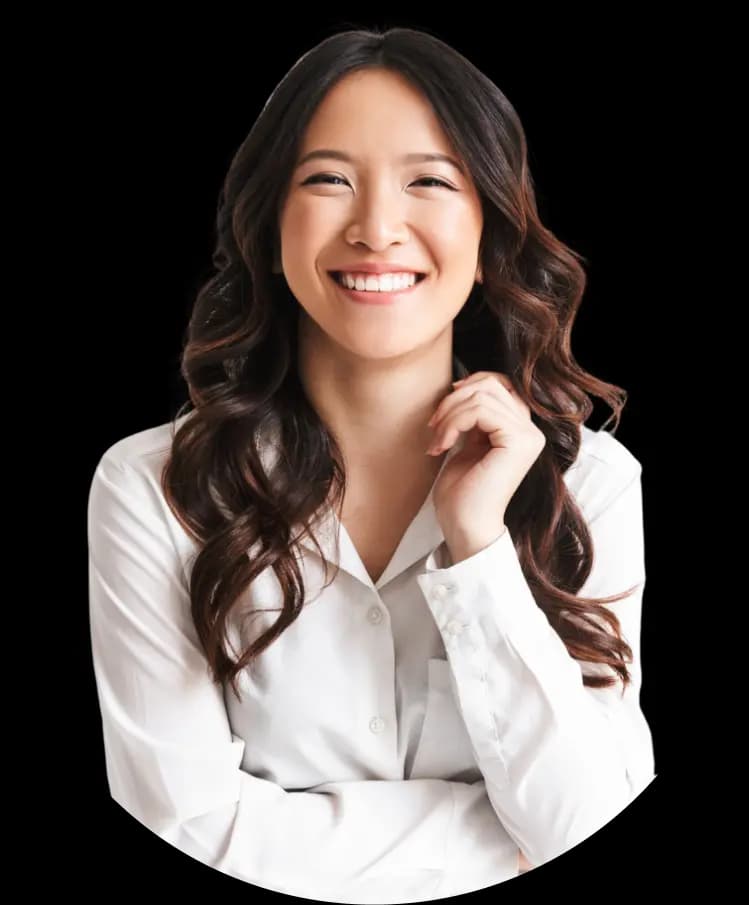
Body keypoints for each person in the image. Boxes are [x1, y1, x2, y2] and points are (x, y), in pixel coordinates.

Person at [87, 25, 656, 904]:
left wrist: (478, 549)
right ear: (270, 217)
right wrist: (501, 844)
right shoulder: (152, 486)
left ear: (489, 228)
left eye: (428, 181)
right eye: (327, 180)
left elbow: (584, 823)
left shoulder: (590, 484)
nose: (377, 229)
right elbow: (182, 827)